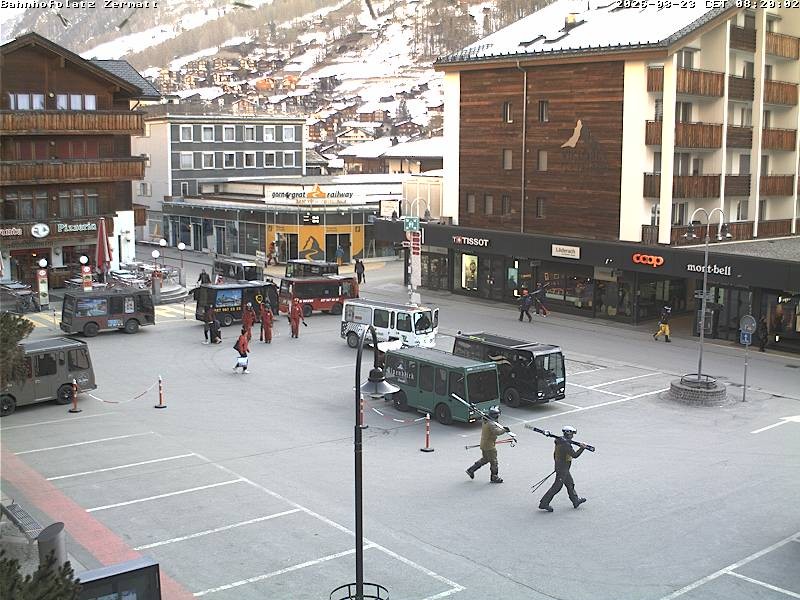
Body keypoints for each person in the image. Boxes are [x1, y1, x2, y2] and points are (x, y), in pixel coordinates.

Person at [539, 426, 587, 512]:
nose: (573, 436)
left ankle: (575, 501)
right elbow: (575, 455)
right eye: (572, 433)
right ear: (568, 433)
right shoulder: (565, 445)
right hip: (562, 468)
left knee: (570, 484)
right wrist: (582, 448)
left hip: (561, 467)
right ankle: (544, 503)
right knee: (557, 487)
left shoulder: (560, 441)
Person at [466, 406, 509, 483]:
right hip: (489, 446)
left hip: (484, 444)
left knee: (485, 459)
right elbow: (497, 432)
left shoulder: (485, 420)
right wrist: (504, 430)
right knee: (494, 461)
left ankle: (471, 469)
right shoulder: (491, 424)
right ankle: (494, 477)